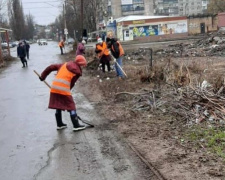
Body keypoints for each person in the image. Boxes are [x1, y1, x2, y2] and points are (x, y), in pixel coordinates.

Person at [39, 55, 87, 131]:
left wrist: (43, 76)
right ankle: (76, 125)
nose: (83, 66)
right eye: (83, 65)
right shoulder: (76, 71)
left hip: (54, 87)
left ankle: (60, 124)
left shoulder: (64, 64)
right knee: (71, 106)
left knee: (58, 104)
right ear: (81, 64)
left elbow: (51, 67)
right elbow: (71, 83)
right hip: (63, 88)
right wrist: (67, 91)